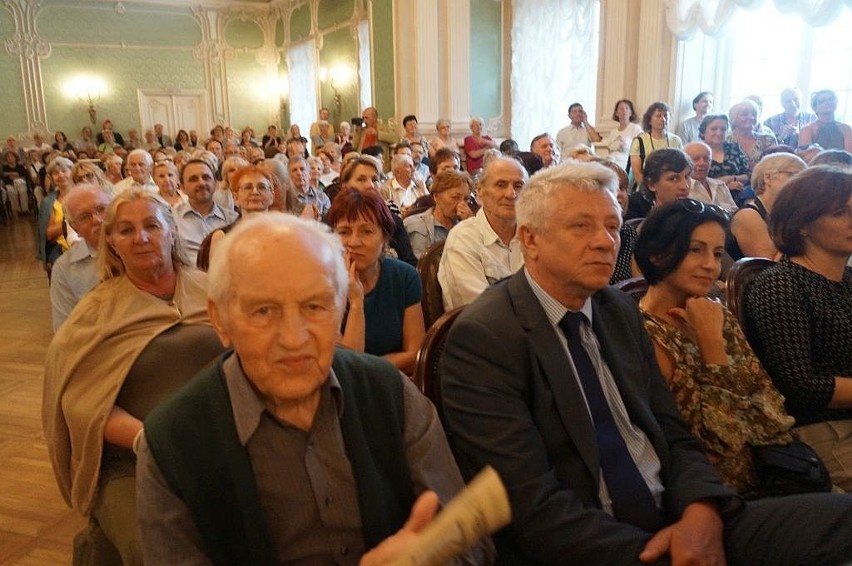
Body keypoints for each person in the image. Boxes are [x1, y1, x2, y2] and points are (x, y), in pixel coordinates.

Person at [439, 160, 852, 565]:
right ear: (530, 240)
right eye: (582, 226)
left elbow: (671, 433)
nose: (605, 241)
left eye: (613, 227)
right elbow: (528, 504)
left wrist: (701, 509)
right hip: (594, 543)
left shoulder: (616, 309)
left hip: (681, 516)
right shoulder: (486, 337)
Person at [134, 212, 489, 564]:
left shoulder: (387, 391)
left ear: (340, 309)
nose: (294, 338)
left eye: (315, 306)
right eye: (263, 311)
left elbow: (469, 540)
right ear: (220, 320)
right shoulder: (173, 442)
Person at [42, 189, 226, 564]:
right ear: (111, 242)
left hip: (222, 443)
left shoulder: (213, 290)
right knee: (157, 550)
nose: (141, 238)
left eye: (151, 226)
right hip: (135, 458)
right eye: (125, 231)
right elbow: (84, 404)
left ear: (172, 231)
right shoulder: (96, 314)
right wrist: (149, 440)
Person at [635, 199, 797, 495]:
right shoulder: (644, 334)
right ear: (658, 254)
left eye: (718, 253)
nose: (711, 265)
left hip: (773, 470)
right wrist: (712, 347)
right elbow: (715, 446)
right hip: (715, 495)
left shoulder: (716, 313)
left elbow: (773, 408)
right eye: (695, 250)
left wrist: (746, 419)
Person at [744, 165, 852, 491]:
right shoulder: (779, 284)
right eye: (841, 212)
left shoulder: (848, 282)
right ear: (803, 223)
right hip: (820, 433)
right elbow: (799, 386)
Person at [329, 189, 425, 374]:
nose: (354, 242)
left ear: (385, 238)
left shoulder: (404, 277)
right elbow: (350, 366)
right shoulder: (322, 284)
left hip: (395, 383)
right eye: (344, 231)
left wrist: (371, 370)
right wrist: (356, 302)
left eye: (367, 231)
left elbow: (415, 353)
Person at [438, 156, 527, 310]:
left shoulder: (535, 236)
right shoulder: (463, 239)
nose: (511, 194)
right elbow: (481, 310)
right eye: (501, 185)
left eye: (518, 185)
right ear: (479, 191)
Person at [49, 184, 111, 330]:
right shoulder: (65, 268)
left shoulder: (139, 248)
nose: (97, 220)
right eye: (85, 217)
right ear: (75, 228)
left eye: (102, 209)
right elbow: (64, 331)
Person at [337, 155, 417, 266]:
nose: (370, 185)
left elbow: (410, 262)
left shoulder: (392, 220)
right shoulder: (333, 220)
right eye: (361, 179)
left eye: (375, 180)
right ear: (345, 186)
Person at [727, 152, 806, 260]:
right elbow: (770, 265)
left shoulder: (785, 215)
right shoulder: (747, 216)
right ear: (768, 178)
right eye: (794, 175)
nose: (801, 183)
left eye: (804, 178)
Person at [174, 159, 239, 265]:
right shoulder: (172, 218)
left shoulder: (233, 220)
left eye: (206, 177)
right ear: (183, 188)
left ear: (216, 184)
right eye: (193, 179)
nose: (201, 183)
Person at [404, 169, 474, 258]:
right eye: (455, 197)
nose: (462, 204)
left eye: (466, 199)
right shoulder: (416, 225)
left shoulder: (467, 225)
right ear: (436, 197)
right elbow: (420, 266)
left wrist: (471, 225)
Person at [625, 148, 692, 220]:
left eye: (687, 176)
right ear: (651, 184)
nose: (685, 186)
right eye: (673, 179)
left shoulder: (700, 219)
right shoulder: (637, 225)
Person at [630, 102, 683, 187]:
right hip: (647, 186)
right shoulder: (639, 141)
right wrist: (650, 189)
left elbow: (681, 167)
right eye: (658, 116)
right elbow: (637, 173)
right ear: (649, 121)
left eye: (665, 116)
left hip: (672, 186)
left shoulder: (676, 140)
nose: (663, 119)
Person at [37, 157, 74, 276]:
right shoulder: (49, 201)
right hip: (60, 246)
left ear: (72, 172)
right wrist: (72, 221)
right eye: (55, 173)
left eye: (64, 171)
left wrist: (62, 226)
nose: (60, 175)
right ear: (52, 178)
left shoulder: (83, 195)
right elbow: (48, 234)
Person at [699, 114, 750, 194]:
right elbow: (694, 182)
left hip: (738, 196)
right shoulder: (696, 151)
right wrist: (724, 187)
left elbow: (748, 175)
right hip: (707, 198)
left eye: (723, 129)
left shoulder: (734, 148)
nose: (719, 133)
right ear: (703, 132)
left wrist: (731, 178)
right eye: (713, 129)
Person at [683, 142, 738, 213]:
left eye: (706, 159)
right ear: (685, 162)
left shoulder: (720, 185)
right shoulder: (683, 190)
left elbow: (735, 212)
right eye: (695, 159)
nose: (702, 163)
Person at [727, 100, 777, 172]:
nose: (751, 117)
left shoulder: (768, 140)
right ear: (734, 118)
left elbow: (775, 165)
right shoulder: (726, 141)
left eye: (754, 114)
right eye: (745, 114)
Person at [603, 99, 643, 169]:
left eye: (627, 108)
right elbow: (610, 151)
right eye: (621, 108)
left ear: (631, 113)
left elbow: (640, 151)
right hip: (611, 162)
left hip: (625, 163)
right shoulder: (613, 132)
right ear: (616, 113)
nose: (624, 110)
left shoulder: (635, 129)